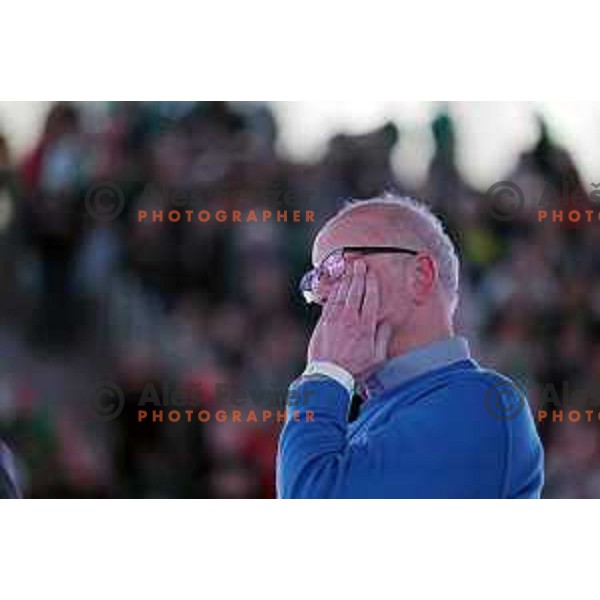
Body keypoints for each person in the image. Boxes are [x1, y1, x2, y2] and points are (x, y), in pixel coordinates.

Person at [276, 194, 544, 498]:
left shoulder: (483, 403)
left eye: (336, 266)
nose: (323, 293)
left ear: (420, 275)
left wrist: (323, 374)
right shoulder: (360, 418)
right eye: (316, 280)